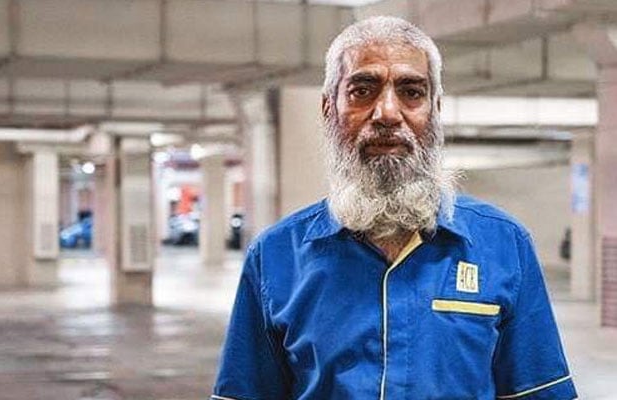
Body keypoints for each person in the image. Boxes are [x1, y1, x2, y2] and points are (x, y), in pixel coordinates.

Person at [211, 16, 577, 400]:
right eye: (362, 90)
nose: (387, 112)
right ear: (327, 108)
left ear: (435, 109)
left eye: (411, 92)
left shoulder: (504, 244)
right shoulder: (274, 257)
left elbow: (540, 392)